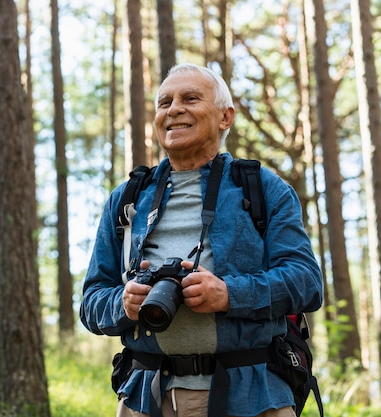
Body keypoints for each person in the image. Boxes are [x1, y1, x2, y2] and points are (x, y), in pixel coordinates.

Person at [79, 63, 324, 417]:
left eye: (190, 98)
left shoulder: (264, 189)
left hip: (253, 395)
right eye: (164, 103)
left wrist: (227, 294)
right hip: (146, 398)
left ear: (226, 117)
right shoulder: (128, 199)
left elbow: (307, 282)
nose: (174, 109)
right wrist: (125, 304)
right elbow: (91, 302)